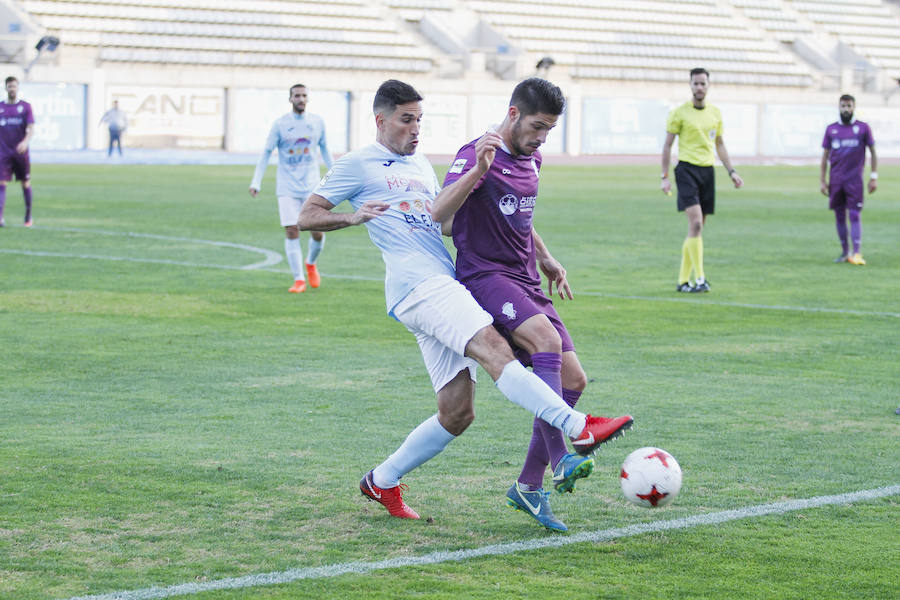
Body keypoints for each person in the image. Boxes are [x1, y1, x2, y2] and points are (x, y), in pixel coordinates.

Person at [298, 79, 633, 526]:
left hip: (441, 281)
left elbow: (452, 220)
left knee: (457, 413)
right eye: (406, 119)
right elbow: (307, 215)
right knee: (497, 350)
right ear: (380, 119)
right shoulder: (357, 163)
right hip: (419, 286)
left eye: (419, 119)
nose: (415, 128)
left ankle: (381, 479)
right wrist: (352, 216)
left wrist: (539, 252)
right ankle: (577, 428)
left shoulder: (419, 164)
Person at [435, 78, 598, 531]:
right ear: (512, 114)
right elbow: (439, 216)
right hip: (485, 275)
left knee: (574, 378)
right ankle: (562, 457)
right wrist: (476, 173)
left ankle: (528, 487)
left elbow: (519, 215)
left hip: (526, 276)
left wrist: (546, 257)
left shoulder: (534, 157)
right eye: (537, 127)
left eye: (549, 130)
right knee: (544, 341)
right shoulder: (476, 153)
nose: (542, 137)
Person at [661, 67, 743, 293]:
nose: (699, 87)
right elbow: (667, 145)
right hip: (686, 170)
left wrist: (731, 171)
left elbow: (719, 144)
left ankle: (683, 281)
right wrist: (664, 176)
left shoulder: (715, 113)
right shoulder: (680, 113)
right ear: (690, 85)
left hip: (708, 171)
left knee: (696, 229)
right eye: (695, 83)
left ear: (708, 85)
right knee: (696, 223)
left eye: (703, 83)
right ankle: (700, 279)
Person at [250, 84, 333, 293]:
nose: (301, 99)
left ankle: (311, 263)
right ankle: (298, 280)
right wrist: (256, 182)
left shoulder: (317, 122)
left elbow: (325, 150)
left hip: (311, 185)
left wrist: (335, 177)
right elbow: (266, 152)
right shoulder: (280, 124)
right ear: (290, 99)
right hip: (287, 185)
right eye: (297, 96)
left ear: (308, 98)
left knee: (317, 232)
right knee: (292, 229)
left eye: (304, 95)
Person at [819, 94, 877, 265]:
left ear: (854, 107)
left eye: (849, 106)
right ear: (839, 107)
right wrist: (822, 180)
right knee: (839, 216)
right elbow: (824, 157)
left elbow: (873, 153)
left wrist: (873, 177)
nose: (846, 109)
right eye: (843, 106)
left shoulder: (863, 128)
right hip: (836, 180)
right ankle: (845, 252)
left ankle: (857, 253)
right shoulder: (831, 129)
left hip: (855, 181)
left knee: (854, 215)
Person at [0, 76, 34, 228]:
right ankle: (0, 218)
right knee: (1, 183)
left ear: (18, 88)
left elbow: (31, 128)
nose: (12, 89)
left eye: (14, 86)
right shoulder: (1, 107)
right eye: (9, 86)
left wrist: (25, 141)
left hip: (20, 153)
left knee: (25, 183)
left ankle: (28, 216)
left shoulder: (25, 107)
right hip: (3, 152)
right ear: (5, 88)